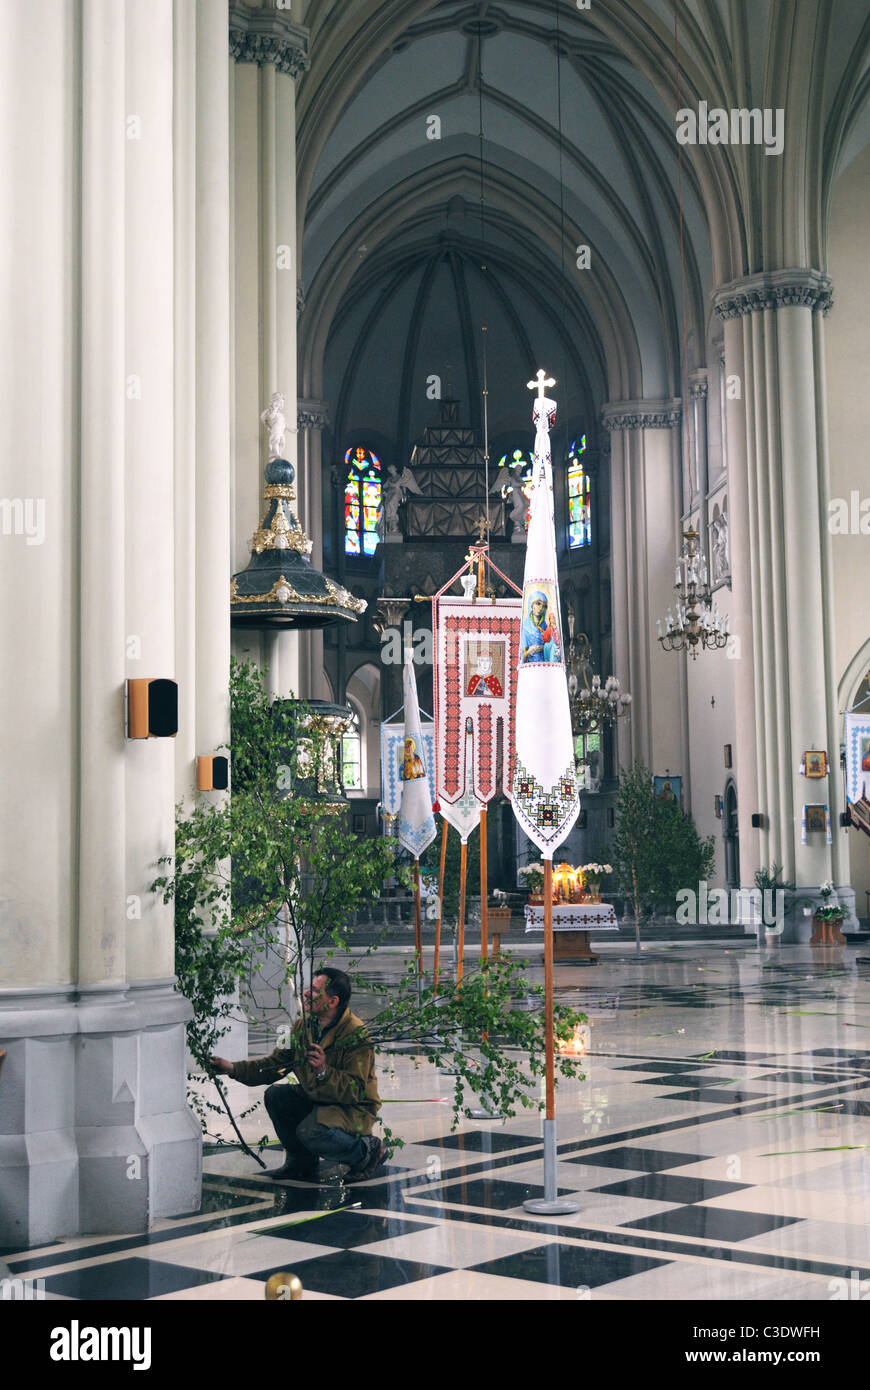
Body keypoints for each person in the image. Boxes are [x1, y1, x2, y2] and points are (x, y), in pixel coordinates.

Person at [210, 967, 385, 1182]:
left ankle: (366, 1152)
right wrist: (233, 1069)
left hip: (351, 1108)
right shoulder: (300, 1027)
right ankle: (300, 1161)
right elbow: (274, 1064)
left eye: (314, 990)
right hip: (317, 1098)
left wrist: (323, 1071)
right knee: (276, 1096)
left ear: (332, 1002)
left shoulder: (356, 1034)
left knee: (310, 1131)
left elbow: (355, 1091)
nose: (305, 994)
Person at [521, 589, 560, 663]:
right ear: (532, 605)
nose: (541, 608)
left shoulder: (546, 627)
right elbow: (521, 655)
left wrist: (544, 647)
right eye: (538, 603)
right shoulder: (525, 628)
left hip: (545, 666)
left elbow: (555, 647)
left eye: (544, 606)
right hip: (531, 668)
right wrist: (528, 652)